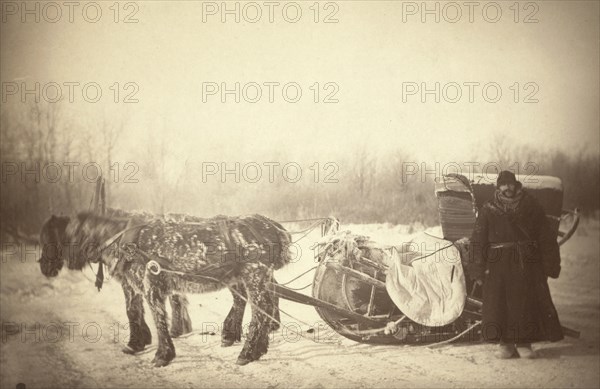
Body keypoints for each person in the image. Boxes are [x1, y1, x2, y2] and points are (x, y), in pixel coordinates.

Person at [469, 170, 564, 359]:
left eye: (510, 184)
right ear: (498, 187)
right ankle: (505, 344)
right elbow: (478, 240)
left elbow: (545, 236)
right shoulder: (488, 209)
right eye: (503, 185)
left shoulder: (531, 205)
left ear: (516, 185)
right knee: (500, 304)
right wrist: (477, 269)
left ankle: (524, 343)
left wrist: (550, 263)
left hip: (526, 263)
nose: (507, 188)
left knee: (525, 303)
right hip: (498, 265)